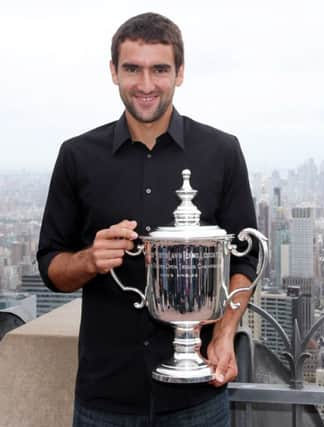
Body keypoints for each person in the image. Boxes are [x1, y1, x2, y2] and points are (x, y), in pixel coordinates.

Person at [37, 12, 257, 427]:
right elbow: (51, 267)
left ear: (180, 73)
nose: (146, 84)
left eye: (160, 69)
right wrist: (90, 260)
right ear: (113, 72)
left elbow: (245, 259)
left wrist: (225, 331)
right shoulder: (77, 156)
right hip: (106, 399)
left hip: (198, 398)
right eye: (132, 69)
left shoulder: (222, 152)